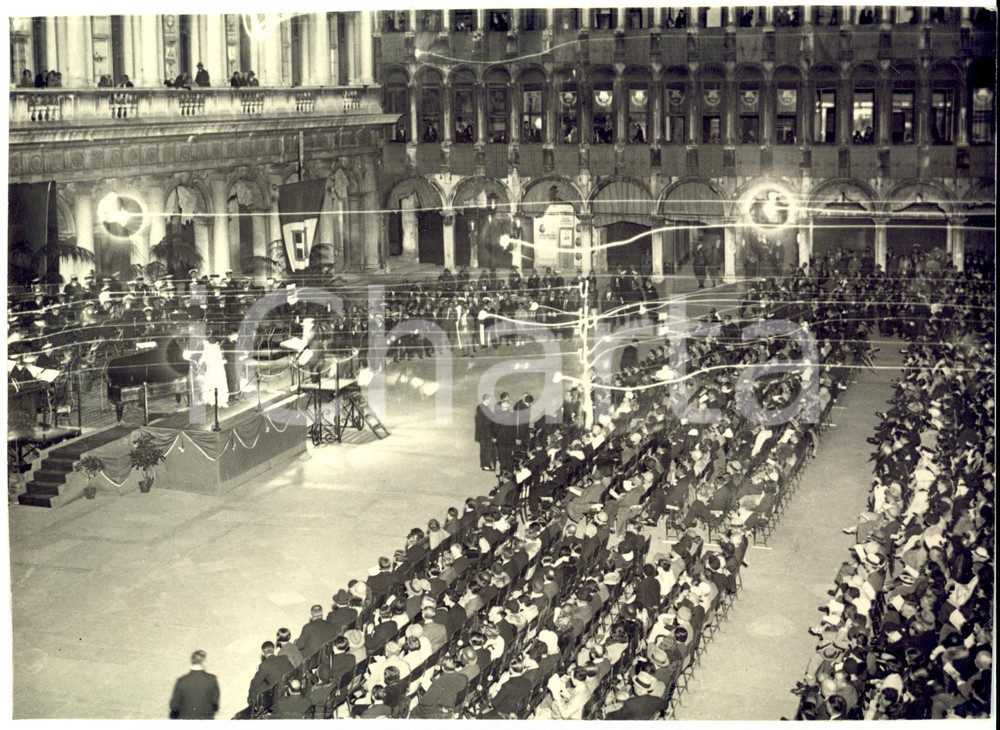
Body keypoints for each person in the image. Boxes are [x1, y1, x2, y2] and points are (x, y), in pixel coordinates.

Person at [169, 649, 220, 719]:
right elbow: (215, 702)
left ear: (191, 661)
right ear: (203, 662)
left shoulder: (181, 681)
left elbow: (174, 706)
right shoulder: (212, 679)